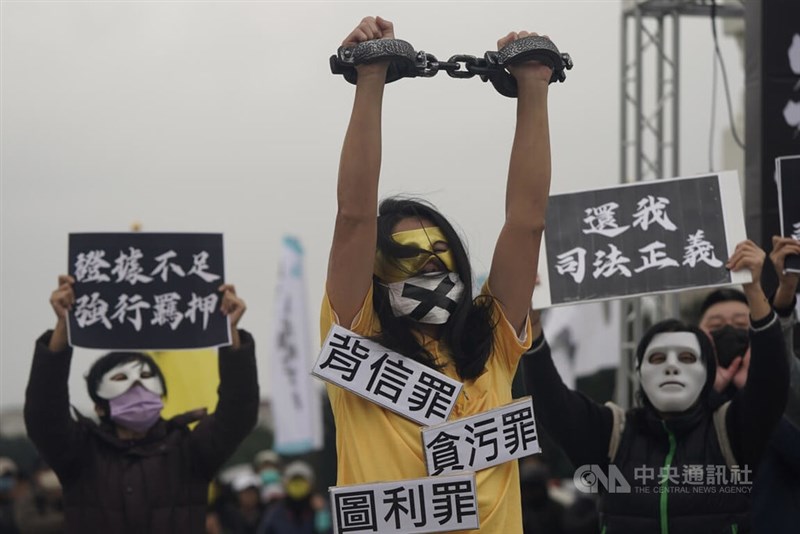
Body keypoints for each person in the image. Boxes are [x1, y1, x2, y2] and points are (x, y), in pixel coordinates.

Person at [321, 15, 553, 533]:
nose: (430, 260)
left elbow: (527, 222)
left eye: (442, 249)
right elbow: (353, 216)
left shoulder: (492, 341)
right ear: (375, 269)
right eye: (406, 251)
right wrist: (370, 78)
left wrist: (535, 85)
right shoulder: (353, 336)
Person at [524, 240, 788, 533]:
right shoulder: (612, 437)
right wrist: (531, 324)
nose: (671, 366)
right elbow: (552, 402)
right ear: (639, 371)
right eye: (658, 357)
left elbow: (771, 382)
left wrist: (754, 290)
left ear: (706, 370)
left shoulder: (731, 432)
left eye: (687, 357)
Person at [24, 275, 259, 533]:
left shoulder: (189, 450)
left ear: (161, 396)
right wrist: (62, 331)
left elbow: (238, 412)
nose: (137, 386)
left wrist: (231, 336)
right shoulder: (79, 453)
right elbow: (44, 414)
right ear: (99, 407)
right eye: (121, 379)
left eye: (146, 378)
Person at [698, 236, 800, 533]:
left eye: (742, 326)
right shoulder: (672, 400)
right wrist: (709, 395)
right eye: (715, 327)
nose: (728, 332)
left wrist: (757, 394)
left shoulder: (786, 396)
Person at [256, 461, 331, 534]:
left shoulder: (320, 509)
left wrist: (322, 513)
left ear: (311, 483)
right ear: (285, 484)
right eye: (294, 480)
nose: (297, 484)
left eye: (301, 480)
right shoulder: (274, 513)